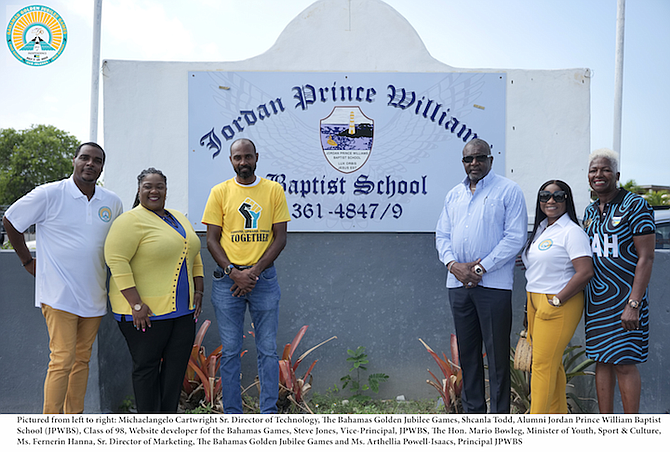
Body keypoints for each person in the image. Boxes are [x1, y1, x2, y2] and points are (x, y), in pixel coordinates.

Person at [2, 142, 122, 414]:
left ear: (102, 167)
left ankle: (73, 422)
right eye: (85, 158)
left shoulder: (112, 202)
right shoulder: (49, 194)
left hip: (94, 295)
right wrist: (26, 261)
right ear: (74, 161)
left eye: (97, 160)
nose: (90, 164)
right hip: (59, 294)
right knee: (62, 360)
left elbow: (117, 244)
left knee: (82, 360)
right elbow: (11, 219)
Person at [435, 138, 527, 413]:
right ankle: (473, 414)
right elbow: (442, 235)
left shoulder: (508, 191)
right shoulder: (454, 194)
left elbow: (515, 238)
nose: (474, 163)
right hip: (457, 285)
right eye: (468, 159)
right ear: (463, 162)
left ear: (491, 159)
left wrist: (478, 268)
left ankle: (498, 419)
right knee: (468, 355)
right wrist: (454, 265)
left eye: (479, 158)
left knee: (497, 356)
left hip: (493, 286)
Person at [104, 168, 204, 413]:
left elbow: (194, 255)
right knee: (146, 369)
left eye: (159, 186)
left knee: (175, 369)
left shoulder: (178, 217)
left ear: (166, 190)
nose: (154, 191)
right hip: (144, 313)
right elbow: (116, 260)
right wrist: (136, 305)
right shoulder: (129, 221)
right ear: (139, 191)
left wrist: (198, 291)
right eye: (148, 186)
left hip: (182, 313)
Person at [202, 138, 290, 414]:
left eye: (247, 157)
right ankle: (232, 414)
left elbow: (280, 238)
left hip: (262, 280)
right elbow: (212, 240)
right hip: (228, 281)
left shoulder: (273, 190)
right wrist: (234, 272)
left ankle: (268, 413)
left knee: (267, 350)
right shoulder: (220, 192)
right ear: (231, 160)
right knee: (230, 351)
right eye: (237, 157)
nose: (243, 162)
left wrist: (253, 272)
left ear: (256, 157)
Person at [583, 149, 655, 414]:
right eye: (593, 170)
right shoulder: (590, 211)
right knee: (601, 361)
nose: (598, 175)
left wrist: (634, 303)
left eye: (604, 169)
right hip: (597, 302)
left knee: (624, 363)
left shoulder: (635, 205)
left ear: (617, 175)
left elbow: (646, 258)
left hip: (627, 301)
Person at [521, 180, 593, 413]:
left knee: (542, 365)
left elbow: (585, 272)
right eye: (545, 196)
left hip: (559, 302)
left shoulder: (572, 231)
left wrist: (558, 299)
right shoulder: (543, 229)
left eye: (558, 196)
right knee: (553, 365)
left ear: (567, 200)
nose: (550, 201)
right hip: (535, 300)